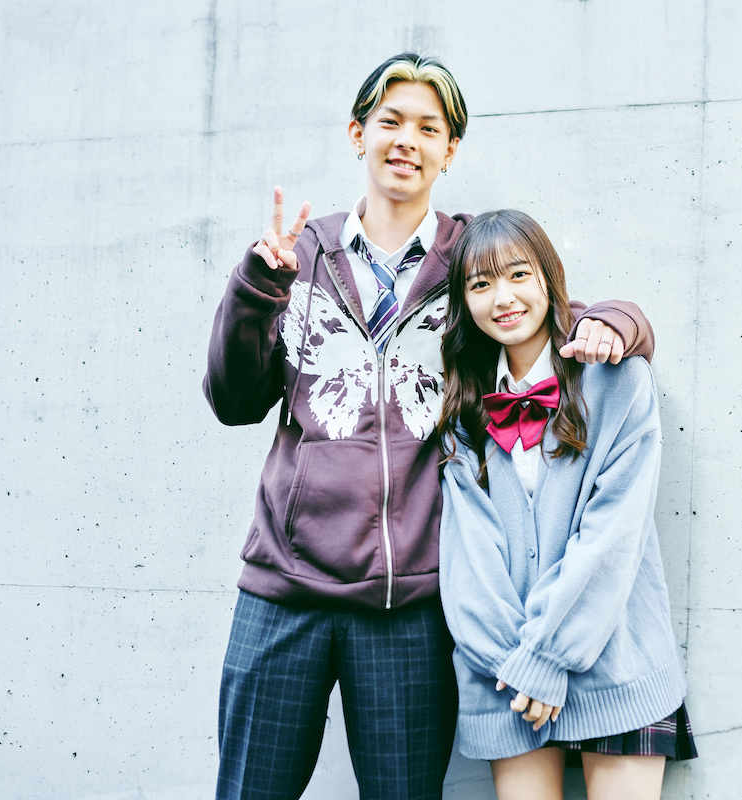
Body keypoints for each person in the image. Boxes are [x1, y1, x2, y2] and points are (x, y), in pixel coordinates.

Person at [203, 54, 656, 800]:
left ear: (451, 149)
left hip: (409, 604)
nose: (407, 140)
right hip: (285, 588)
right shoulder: (299, 254)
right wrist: (257, 288)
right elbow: (233, 399)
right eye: (390, 122)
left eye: (428, 127)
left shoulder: (469, 258)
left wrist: (620, 320)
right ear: (359, 134)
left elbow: (555, 315)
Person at [437, 210, 696, 800]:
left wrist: (550, 655)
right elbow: (468, 561)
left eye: (518, 275)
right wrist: (519, 664)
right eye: (481, 284)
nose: (503, 297)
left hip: (616, 660)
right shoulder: (462, 410)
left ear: (550, 279)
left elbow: (613, 533)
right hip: (507, 677)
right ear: (464, 302)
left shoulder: (618, 380)